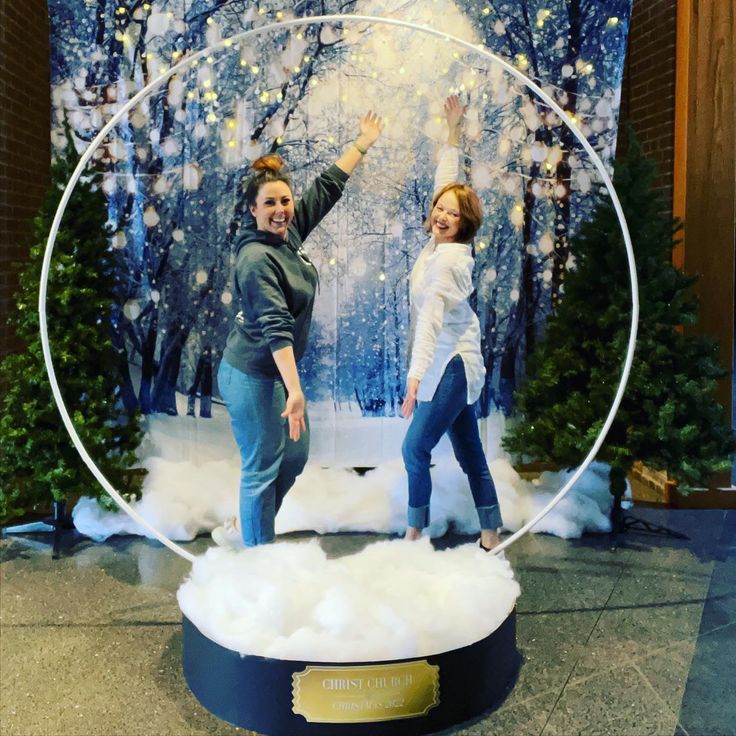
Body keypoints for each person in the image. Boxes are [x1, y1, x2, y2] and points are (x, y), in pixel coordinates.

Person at [213, 112, 384, 548]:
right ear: (252, 210)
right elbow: (276, 327)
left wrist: (362, 143)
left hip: (275, 374)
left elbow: (325, 190)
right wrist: (294, 390)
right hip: (251, 374)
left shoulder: (285, 236)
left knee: (293, 458)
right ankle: (259, 563)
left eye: (284, 201)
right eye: (269, 203)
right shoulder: (256, 259)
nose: (281, 210)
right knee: (262, 467)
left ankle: (247, 527)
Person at [401, 96, 502, 551]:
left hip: (452, 363)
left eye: (453, 214)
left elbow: (429, 325)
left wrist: (414, 380)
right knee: (469, 453)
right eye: (440, 208)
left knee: (414, 448)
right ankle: (490, 533)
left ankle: (414, 531)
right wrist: (453, 132)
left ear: (464, 225)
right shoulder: (436, 247)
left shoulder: (447, 263)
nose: (442, 215)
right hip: (451, 363)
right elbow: (448, 183)